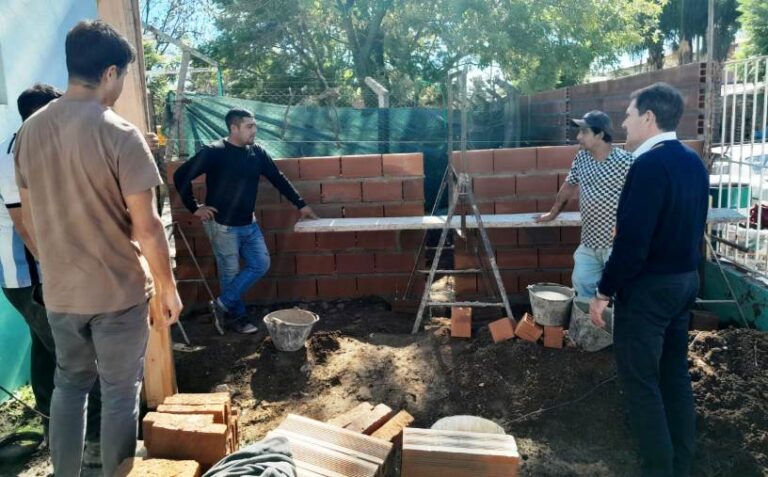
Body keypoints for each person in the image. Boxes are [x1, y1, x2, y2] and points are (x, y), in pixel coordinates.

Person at [13, 20, 182, 476]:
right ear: (110, 72)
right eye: (122, 75)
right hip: (117, 292)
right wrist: (167, 287)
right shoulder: (120, 134)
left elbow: (29, 219)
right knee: (120, 392)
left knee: (69, 385)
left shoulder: (29, 133)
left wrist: (58, 265)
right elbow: (147, 229)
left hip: (61, 293)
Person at [590, 83, 709, 476]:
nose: (623, 122)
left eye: (628, 114)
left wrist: (603, 292)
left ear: (648, 118)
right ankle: (683, 464)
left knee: (641, 384)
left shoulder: (647, 165)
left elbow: (634, 245)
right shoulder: (692, 161)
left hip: (650, 289)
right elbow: (685, 224)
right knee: (674, 374)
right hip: (684, 282)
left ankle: (659, 469)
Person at [0, 84, 103, 464]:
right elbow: (25, 226)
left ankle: (52, 428)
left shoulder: (38, 149)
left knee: (47, 353)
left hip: (38, 275)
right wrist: (62, 275)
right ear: (39, 116)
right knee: (74, 358)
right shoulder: (12, 157)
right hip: (31, 278)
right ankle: (92, 445)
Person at [173, 108, 317, 334]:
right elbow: (181, 175)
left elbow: (278, 178)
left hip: (249, 224)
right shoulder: (214, 152)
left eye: (255, 125)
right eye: (249, 126)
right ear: (234, 128)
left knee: (261, 263)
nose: (254, 130)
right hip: (222, 226)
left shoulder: (256, 152)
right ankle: (236, 318)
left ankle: (220, 305)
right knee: (229, 273)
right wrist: (195, 208)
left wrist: (301, 205)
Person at [535, 110, 635, 298]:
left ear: (600, 134)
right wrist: (552, 213)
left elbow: (641, 200)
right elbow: (568, 187)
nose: (578, 136)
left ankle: (614, 326)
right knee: (582, 286)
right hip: (589, 242)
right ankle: (590, 326)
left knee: (619, 294)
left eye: (584, 132)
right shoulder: (582, 158)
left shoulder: (627, 161)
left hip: (615, 244)